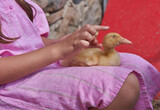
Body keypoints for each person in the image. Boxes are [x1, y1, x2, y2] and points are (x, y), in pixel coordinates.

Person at [0, 0, 159, 110]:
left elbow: (27, 40)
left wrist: (63, 44)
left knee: (138, 66)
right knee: (124, 86)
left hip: (40, 64)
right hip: (11, 86)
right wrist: (59, 50)